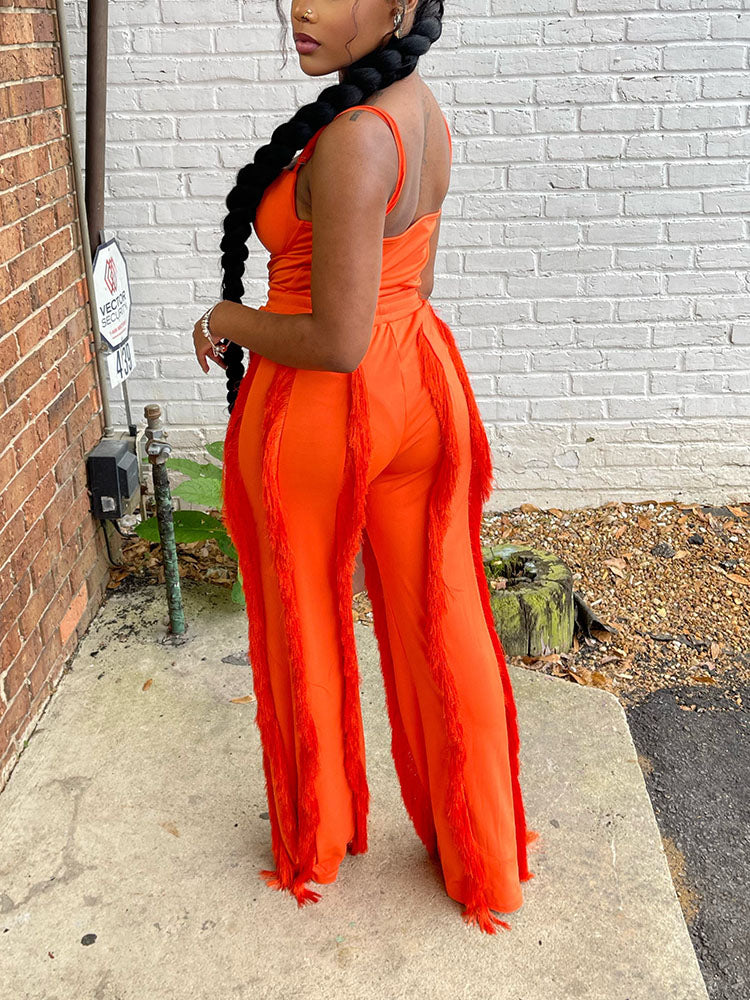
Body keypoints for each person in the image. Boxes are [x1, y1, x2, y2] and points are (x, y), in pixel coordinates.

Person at [191, 0, 538, 934]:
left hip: (324, 407)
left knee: (302, 616)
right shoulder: (422, 114)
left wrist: (224, 320)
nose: (302, 7)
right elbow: (412, 284)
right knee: (446, 616)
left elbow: (336, 340)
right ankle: (485, 855)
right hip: (422, 380)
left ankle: (319, 838)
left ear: (399, 7)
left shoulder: (351, 138)